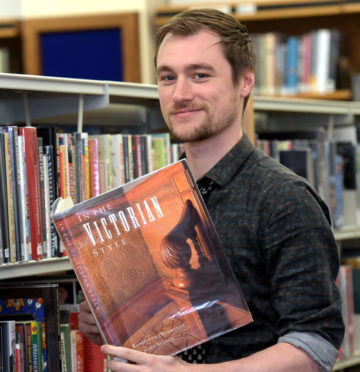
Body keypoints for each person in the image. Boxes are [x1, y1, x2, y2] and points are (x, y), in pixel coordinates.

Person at [79, 8, 344, 371]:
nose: (180, 93)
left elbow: (316, 346)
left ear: (245, 82)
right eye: (167, 77)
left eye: (200, 75)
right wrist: (115, 321)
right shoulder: (150, 200)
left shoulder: (284, 198)